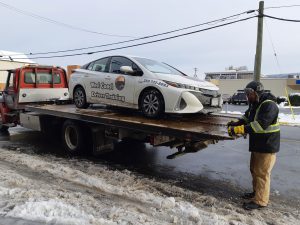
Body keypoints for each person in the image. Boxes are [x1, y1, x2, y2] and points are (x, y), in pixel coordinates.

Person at [227, 81, 280, 210]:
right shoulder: (255, 104)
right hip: (258, 144)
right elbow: (247, 118)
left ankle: (261, 200)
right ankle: (257, 193)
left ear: (256, 92)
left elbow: (260, 125)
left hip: (267, 144)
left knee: (262, 173)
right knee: (254, 170)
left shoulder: (269, 106)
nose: (247, 96)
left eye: (248, 93)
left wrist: (238, 130)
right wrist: (236, 123)